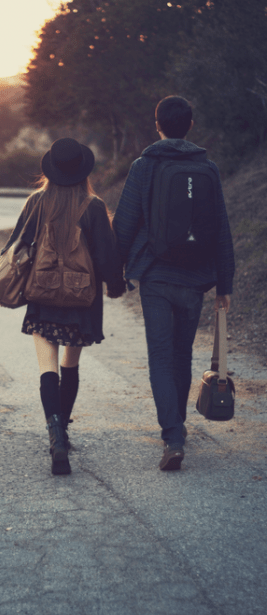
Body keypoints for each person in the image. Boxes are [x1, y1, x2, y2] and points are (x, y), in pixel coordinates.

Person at [113, 96, 235, 471]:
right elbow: (221, 228)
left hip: (156, 275)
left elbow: (124, 224)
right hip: (195, 278)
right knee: (182, 355)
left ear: (158, 125)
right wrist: (224, 284)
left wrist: (114, 273)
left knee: (161, 357)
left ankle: (173, 435)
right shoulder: (208, 169)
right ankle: (176, 429)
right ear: (191, 126)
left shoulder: (144, 166)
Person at [0, 137, 126, 475]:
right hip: (82, 300)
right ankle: (64, 432)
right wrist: (115, 285)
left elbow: (15, 245)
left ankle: (55, 435)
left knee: (47, 368)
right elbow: (106, 256)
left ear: (51, 169)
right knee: (70, 365)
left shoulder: (36, 202)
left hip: (42, 294)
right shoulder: (94, 206)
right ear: (83, 170)